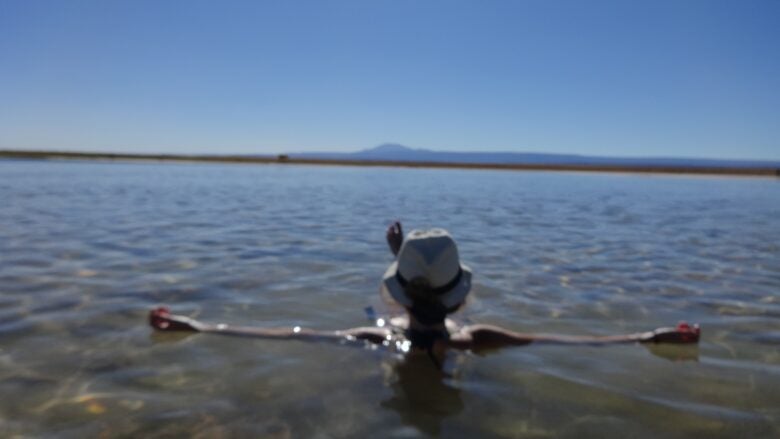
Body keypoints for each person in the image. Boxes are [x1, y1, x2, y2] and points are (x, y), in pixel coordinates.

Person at [150, 221, 699, 365]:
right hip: (435, 334)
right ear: (463, 301)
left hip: (395, 337)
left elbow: (280, 334)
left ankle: (403, 264)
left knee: (380, 324)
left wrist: (198, 327)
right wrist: (650, 336)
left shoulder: (374, 334)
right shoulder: (477, 337)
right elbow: (576, 342)